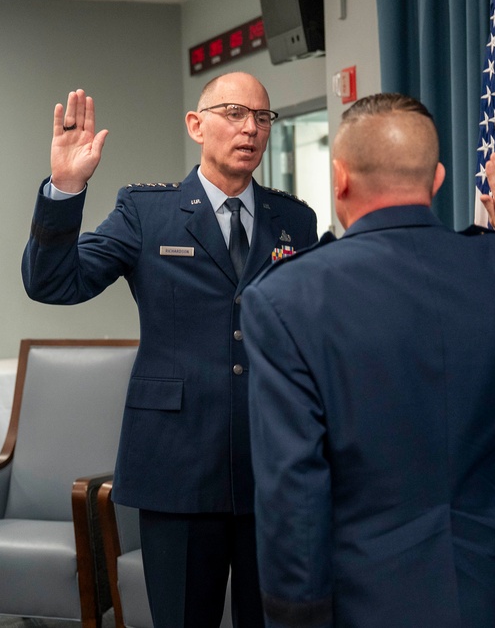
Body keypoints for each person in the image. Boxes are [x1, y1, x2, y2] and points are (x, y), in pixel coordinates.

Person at [241, 92, 495, 628]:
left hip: (368, 602)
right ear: (438, 179)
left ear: (339, 178)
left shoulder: (287, 297)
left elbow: (292, 491)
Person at [22, 71, 318, 627]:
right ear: (195, 124)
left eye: (261, 117)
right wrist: (64, 191)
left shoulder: (295, 220)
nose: (249, 128)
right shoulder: (146, 212)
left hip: (273, 468)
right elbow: (54, 284)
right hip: (177, 467)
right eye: (234, 113)